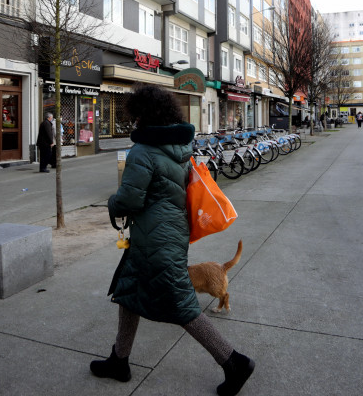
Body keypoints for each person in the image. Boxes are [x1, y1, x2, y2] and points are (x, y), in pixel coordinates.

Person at [92, 85, 255, 396]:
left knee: (181, 304)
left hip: (156, 239)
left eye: (135, 115)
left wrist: (113, 204)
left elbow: (130, 200)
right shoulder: (179, 147)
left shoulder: (143, 151)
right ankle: (119, 360)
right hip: (168, 232)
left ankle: (234, 362)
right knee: (130, 292)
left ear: (143, 116)